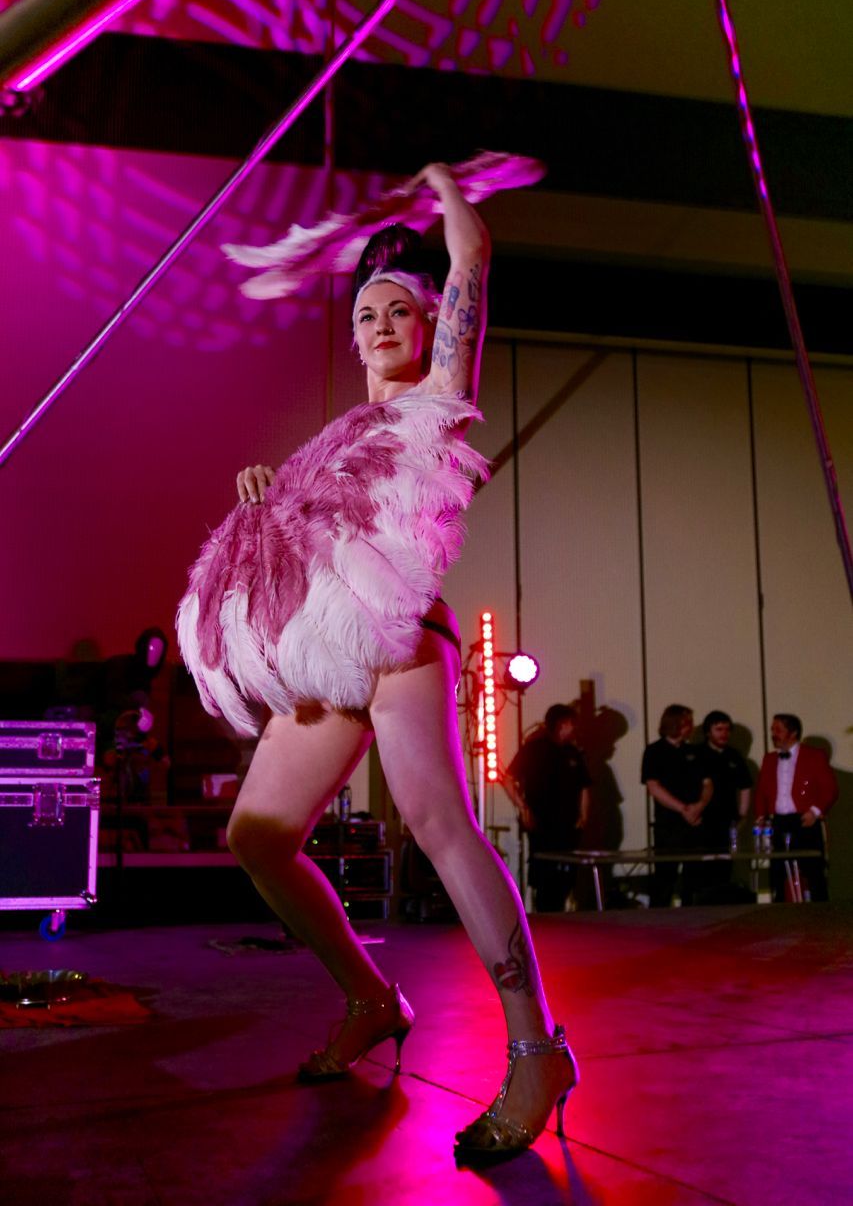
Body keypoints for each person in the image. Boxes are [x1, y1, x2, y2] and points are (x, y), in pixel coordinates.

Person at [177, 164, 576, 1158]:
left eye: (402, 306)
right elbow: (306, 551)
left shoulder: (436, 397)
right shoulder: (328, 439)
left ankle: (536, 1047)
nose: (380, 322)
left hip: (399, 643)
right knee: (257, 833)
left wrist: (441, 190)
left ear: (431, 319)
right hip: (327, 653)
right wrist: (269, 498)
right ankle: (371, 994)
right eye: (366, 312)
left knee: (440, 823)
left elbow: (471, 257)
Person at [506, 704, 591, 912]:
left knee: (567, 871)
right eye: (572, 723)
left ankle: (564, 907)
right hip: (541, 821)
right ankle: (545, 913)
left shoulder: (573, 753)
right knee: (545, 871)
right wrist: (522, 806)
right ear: (562, 724)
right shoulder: (534, 749)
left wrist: (584, 814)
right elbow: (508, 778)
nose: (576, 728)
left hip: (569, 823)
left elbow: (584, 786)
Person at [755, 714, 838, 902]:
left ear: (793, 733)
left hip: (804, 820)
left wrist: (815, 812)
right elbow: (761, 791)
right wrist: (761, 816)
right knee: (778, 872)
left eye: (778, 730)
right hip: (779, 822)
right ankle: (780, 916)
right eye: (772, 730)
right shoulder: (769, 759)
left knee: (813, 871)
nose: (773, 734)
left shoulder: (814, 756)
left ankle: (820, 917)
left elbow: (830, 789)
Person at [641, 704, 712, 907]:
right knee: (665, 875)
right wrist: (682, 809)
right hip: (669, 825)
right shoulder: (655, 751)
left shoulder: (694, 751)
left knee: (694, 876)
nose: (690, 727)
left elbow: (707, 784)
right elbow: (654, 786)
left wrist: (699, 805)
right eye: (686, 722)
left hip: (695, 823)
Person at [698, 710, 752, 884]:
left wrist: (742, 815)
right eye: (719, 729)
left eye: (727, 730)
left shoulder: (734, 756)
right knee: (701, 867)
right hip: (702, 820)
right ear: (708, 732)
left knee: (724, 865)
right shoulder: (698, 753)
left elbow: (745, 786)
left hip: (727, 819)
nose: (724, 734)